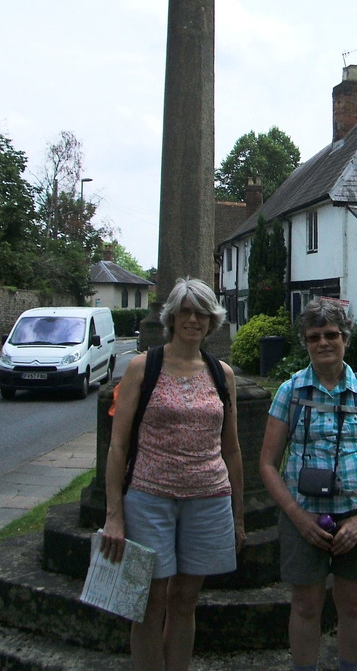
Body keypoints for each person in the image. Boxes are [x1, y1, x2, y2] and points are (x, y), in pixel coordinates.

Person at [100, 277, 245, 671]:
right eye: (185, 310)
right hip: (149, 498)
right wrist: (114, 515)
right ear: (172, 317)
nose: (193, 319)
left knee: (185, 601)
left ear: (212, 320)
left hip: (209, 499)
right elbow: (118, 447)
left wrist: (238, 514)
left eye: (201, 312)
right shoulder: (142, 368)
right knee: (149, 603)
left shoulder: (222, 374)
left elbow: (231, 448)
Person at [259, 299, 357, 671]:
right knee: (305, 606)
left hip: (356, 517)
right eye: (314, 336)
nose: (324, 343)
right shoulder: (290, 392)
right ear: (305, 342)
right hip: (303, 518)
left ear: (345, 339)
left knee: (353, 605)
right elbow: (268, 464)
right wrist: (297, 517)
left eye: (331, 334)